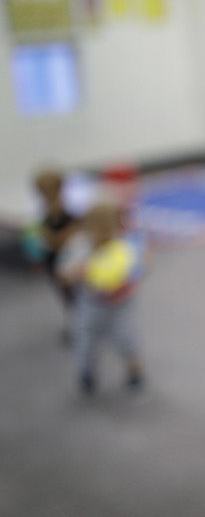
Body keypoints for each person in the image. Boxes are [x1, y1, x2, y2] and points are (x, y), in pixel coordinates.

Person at [60, 201, 147, 396]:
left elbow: (139, 268)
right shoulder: (80, 245)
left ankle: (135, 370)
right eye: (99, 228)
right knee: (85, 341)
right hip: (91, 305)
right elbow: (64, 275)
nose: (105, 234)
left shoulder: (125, 243)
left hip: (120, 305)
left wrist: (129, 279)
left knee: (126, 339)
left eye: (111, 227)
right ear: (88, 226)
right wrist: (78, 272)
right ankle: (87, 373)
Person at [31, 168, 81, 345]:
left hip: (72, 258)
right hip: (54, 260)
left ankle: (86, 325)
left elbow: (73, 233)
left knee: (79, 294)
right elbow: (41, 237)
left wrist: (56, 238)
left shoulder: (70, 206)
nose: (46, 195)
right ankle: (77, 323)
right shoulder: (41, 211)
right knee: (66, 295)